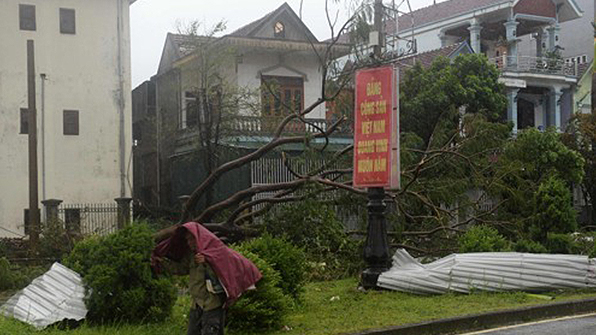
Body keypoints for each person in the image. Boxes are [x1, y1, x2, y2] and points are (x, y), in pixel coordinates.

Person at [151, 222, 261, 335]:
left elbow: (223, 273)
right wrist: (162, 262)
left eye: (191, 239)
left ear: (198, 237)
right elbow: (181, 269)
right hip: (196, 303)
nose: (189, 243)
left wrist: (207, 262)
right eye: (187, 240)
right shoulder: (191, 255)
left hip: (212, 304)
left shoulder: (214, 252)